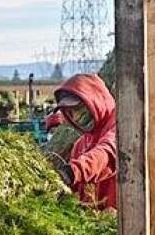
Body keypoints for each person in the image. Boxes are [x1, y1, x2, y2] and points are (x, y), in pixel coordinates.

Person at [48, 74, 118, 210]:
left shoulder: (119, 126)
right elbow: (76, 188)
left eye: (78, 109)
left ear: (95, 100)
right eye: (70, 112)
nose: (76, 117)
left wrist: (72, 172)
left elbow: (106, 153)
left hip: (124, 216)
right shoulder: (80, 146)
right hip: (96, 219)